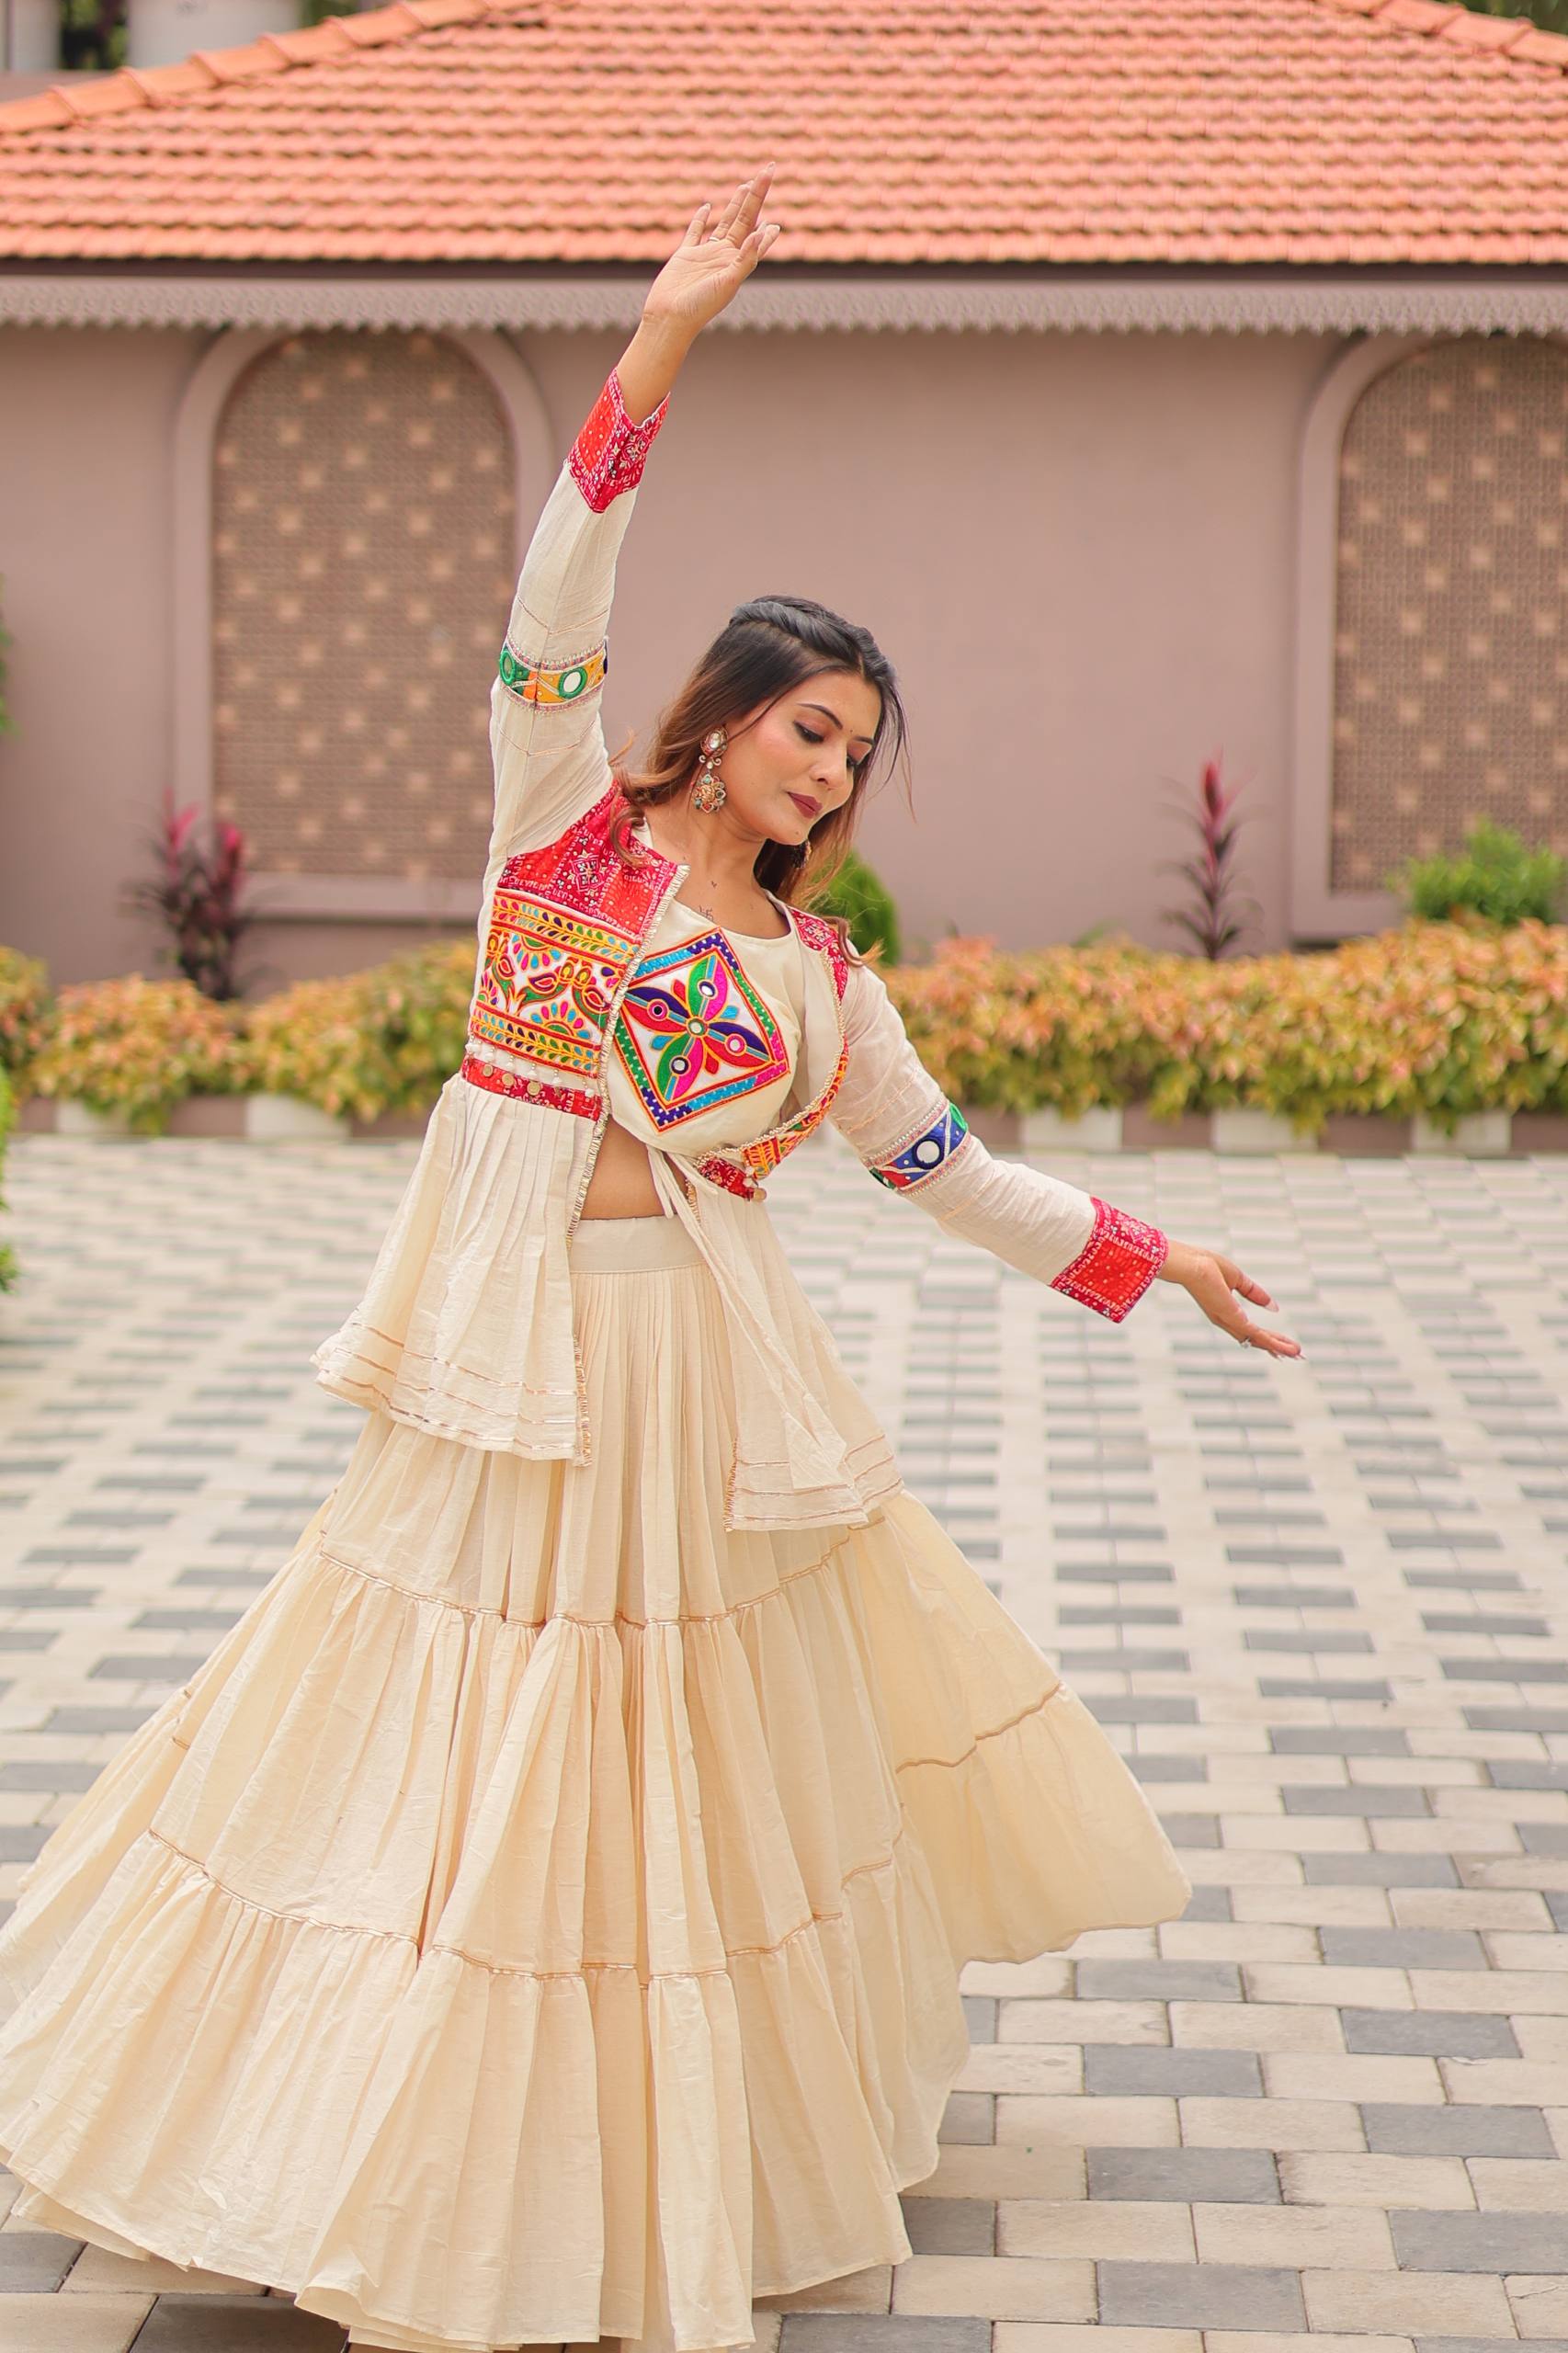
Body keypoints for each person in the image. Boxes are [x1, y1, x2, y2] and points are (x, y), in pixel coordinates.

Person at [0, 167, 1301, 2353]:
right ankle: (345, 2128)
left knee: (636, 1764)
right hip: (507, 1353)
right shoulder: (566, 829)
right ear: (723, 713)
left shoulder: (822, 976)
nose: (831, 772)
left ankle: (599, 2156)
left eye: (860, 755)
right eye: (812, 727)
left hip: (685, 1372)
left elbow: (945, 1168)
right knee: (440, 1721)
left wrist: (1148, 1254)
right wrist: (661, 338)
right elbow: (551, 594)